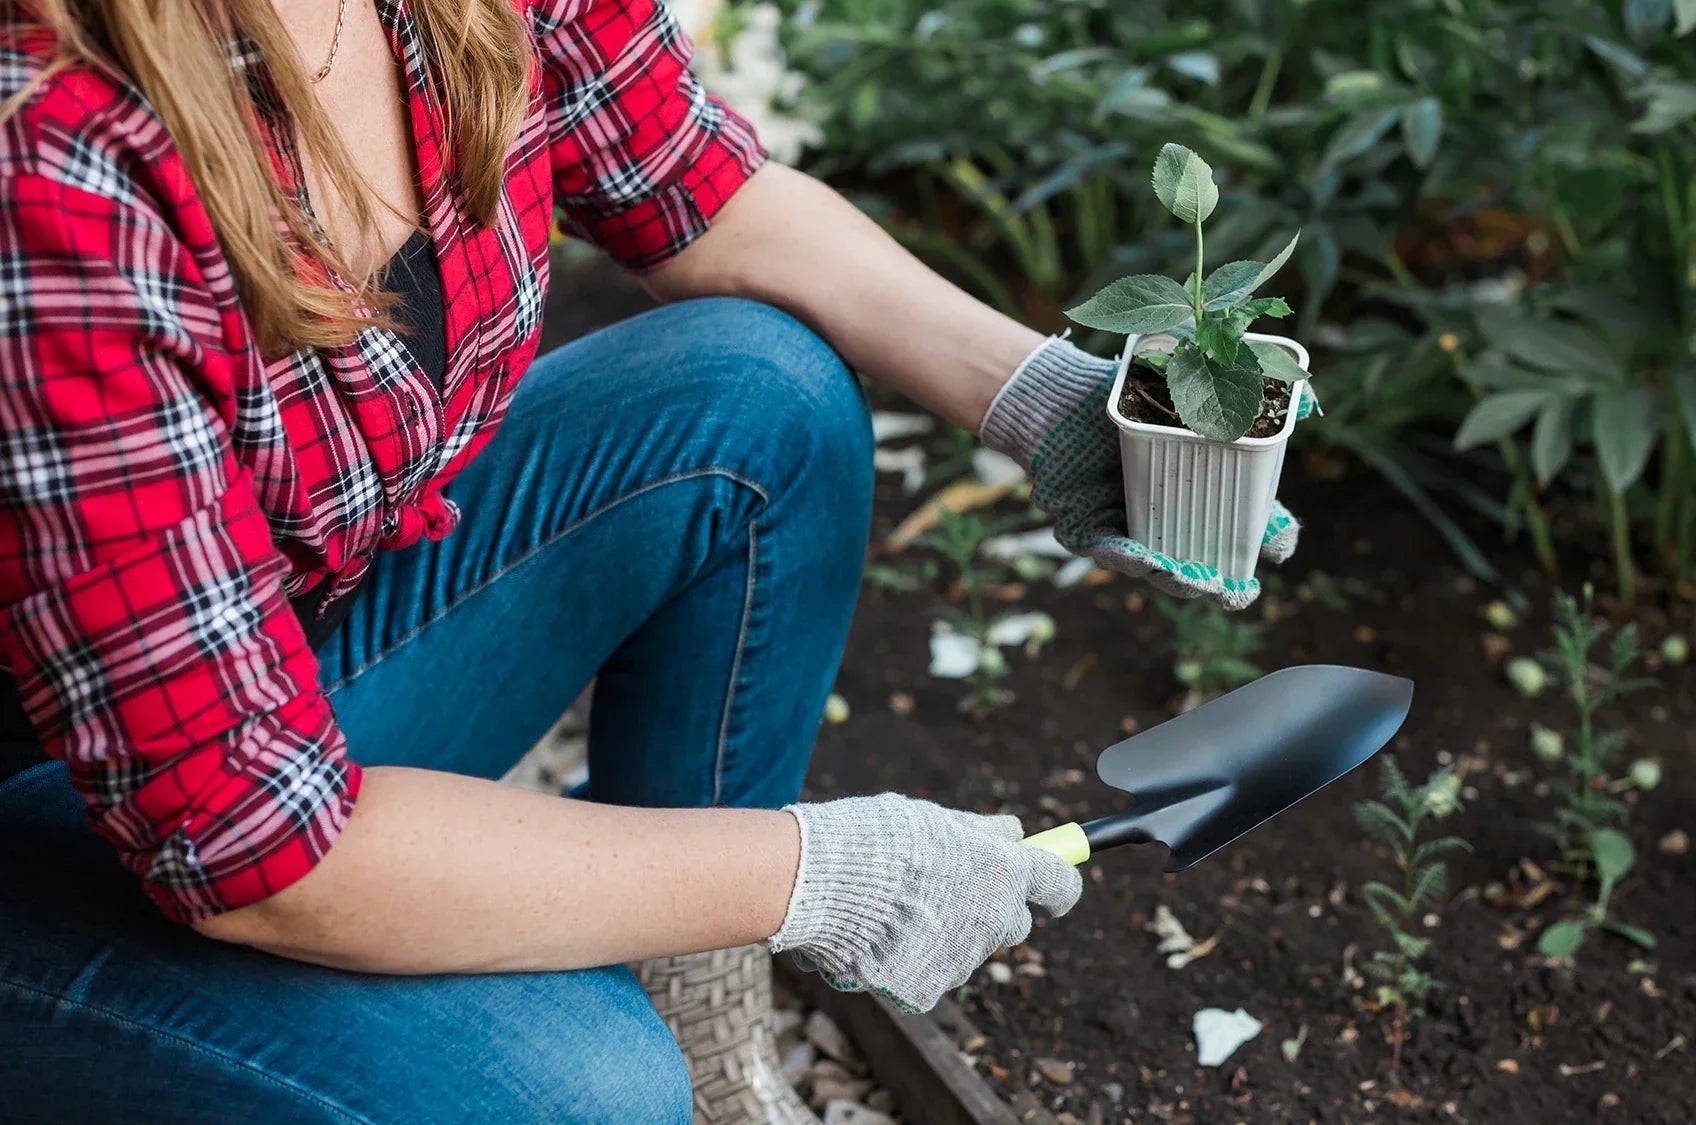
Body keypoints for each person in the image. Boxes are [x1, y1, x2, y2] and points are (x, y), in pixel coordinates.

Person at [0, 1, 1301, 1122]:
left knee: (760, 402)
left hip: (261, 681)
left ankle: (705, 1012)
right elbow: (252, 846)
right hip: (80, 821)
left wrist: (1046, 402)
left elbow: (689, 180)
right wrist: (818, 874)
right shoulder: (53, 153)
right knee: (582, 1088)